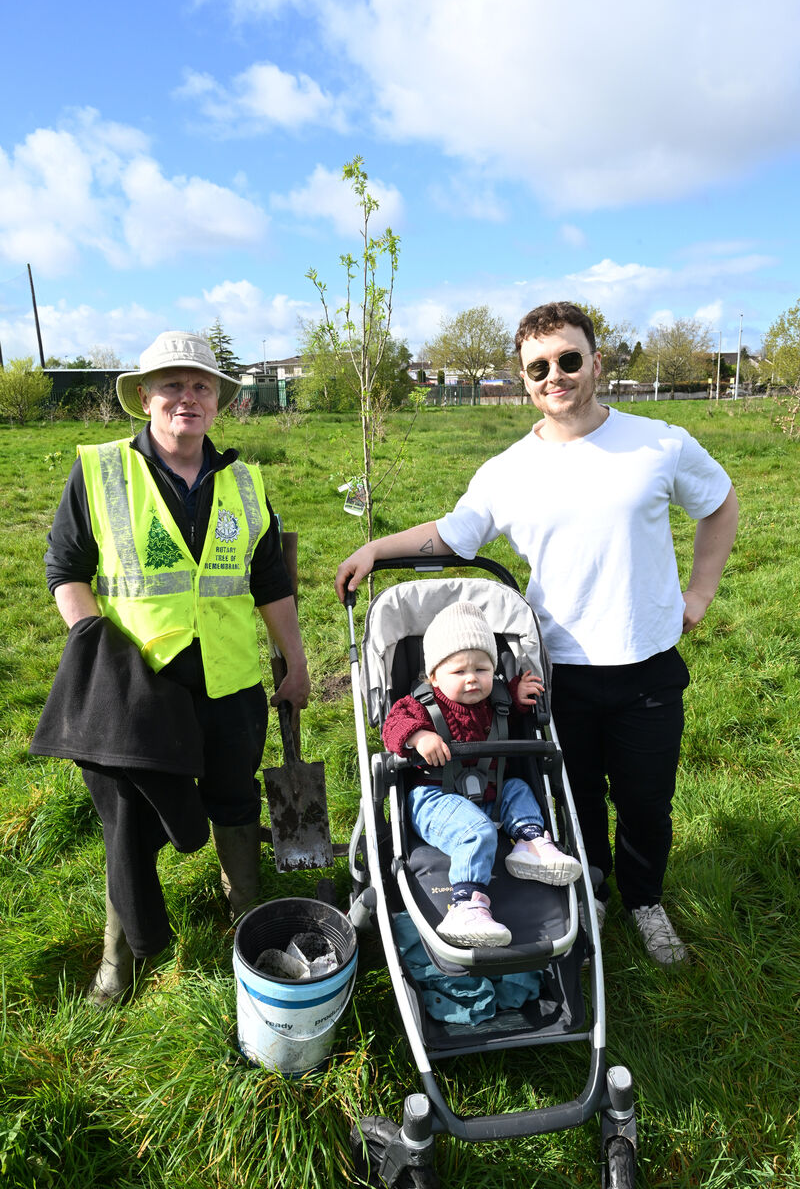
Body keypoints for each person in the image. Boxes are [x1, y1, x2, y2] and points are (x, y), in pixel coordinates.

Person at [336, 301, 739, 967]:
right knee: (570, 800)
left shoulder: (658, 443)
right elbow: (453, 533)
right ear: (524, 379)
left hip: (647, 664)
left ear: (596, 362)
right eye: (539, 368)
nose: (556, 375)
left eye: (568, 360)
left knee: (645, 802)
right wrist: (377, 547)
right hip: (554, 674)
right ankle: (593, 894)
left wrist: (699, 594)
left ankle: (645, 901)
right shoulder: (508, 470)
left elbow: (720, 503)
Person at [40, 331, 310, 1006]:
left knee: (234, 797)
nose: (187, 397)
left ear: (218, 401)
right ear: (146, 397)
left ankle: (246, 921)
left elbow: (270, 577)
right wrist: (95, 644)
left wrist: (296, 662)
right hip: (140, 684)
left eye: (201, 386)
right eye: (173, 385)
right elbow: (64, 570)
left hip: (228, 680)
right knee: (129, 818)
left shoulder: (244, 480)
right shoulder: (101, 470)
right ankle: (119, 959)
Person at [382, 601, 582, 948]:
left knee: (518, 788)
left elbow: (516, 707)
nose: (472, 678)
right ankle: (466, 905)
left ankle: (531, 843)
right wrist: (419, 735)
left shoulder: (498, 699)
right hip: (434, 798)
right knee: (477, 832)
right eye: (459, 672)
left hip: (489, 792)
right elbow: (392, 726)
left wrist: (520, 695)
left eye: (482, 669)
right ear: (433, 676)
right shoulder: (420, 705)